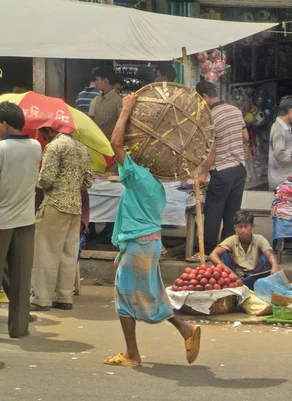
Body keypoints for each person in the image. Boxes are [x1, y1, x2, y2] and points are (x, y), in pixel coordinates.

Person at [104, 93, 200, 367]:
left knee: (124, 299)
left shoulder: (138, 176)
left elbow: (115, 142)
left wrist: (126, 110)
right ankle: (184, 331)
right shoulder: (155, 184)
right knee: (151, 295)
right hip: (146, 244)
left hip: (139, 245)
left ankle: (134, 353)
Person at [30, 128, 93, 311]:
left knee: (46, 252)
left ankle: (41, 298)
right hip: (75, 209)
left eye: (43, 132)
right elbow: (87, 182)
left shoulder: (54, 147)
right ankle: (64, 297)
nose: (42, 135)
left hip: (54, 205)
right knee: (68, 253)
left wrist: (36, 178)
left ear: (50, 130)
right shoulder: (83, 148)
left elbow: (46, 180)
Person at [0, 102, 42, 337]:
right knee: (20, 278)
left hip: (2, 221)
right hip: (26, 219)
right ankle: (19, 328)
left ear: (5, 124)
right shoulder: (35, 146)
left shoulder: (2, 149)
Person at [194, 81, 249, 256]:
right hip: (239, 169)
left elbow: (212, 150)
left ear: (204, 97)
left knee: (213, 213)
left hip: (222, 171)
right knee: (232, 213)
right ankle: (226, 251)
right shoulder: (235, 110)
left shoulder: (211, 117)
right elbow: (245, 137)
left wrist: (203, 173)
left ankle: (209, 251)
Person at [208, 211, 279, 289]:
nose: (242, 230)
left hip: (256, 275)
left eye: (246, 227)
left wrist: (275, 266)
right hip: (237, 276)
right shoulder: (231, 240)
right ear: (235, 228)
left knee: (267, 257)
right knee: (222, 255)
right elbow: (212, 255)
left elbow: (269, 254)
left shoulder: (259, 239)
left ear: (252, 227)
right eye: (239, 227)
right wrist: (229, 272)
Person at [268, 95, 292, 191]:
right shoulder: (279, 130)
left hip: (285, 181)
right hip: (281, 183)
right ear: (290, 111)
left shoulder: (285, 127)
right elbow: (280, 155)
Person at [90, 66, 122, 139]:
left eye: (97, 80)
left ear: (105, 81)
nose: (95, 83)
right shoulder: (97, 99)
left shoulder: (117, 101)